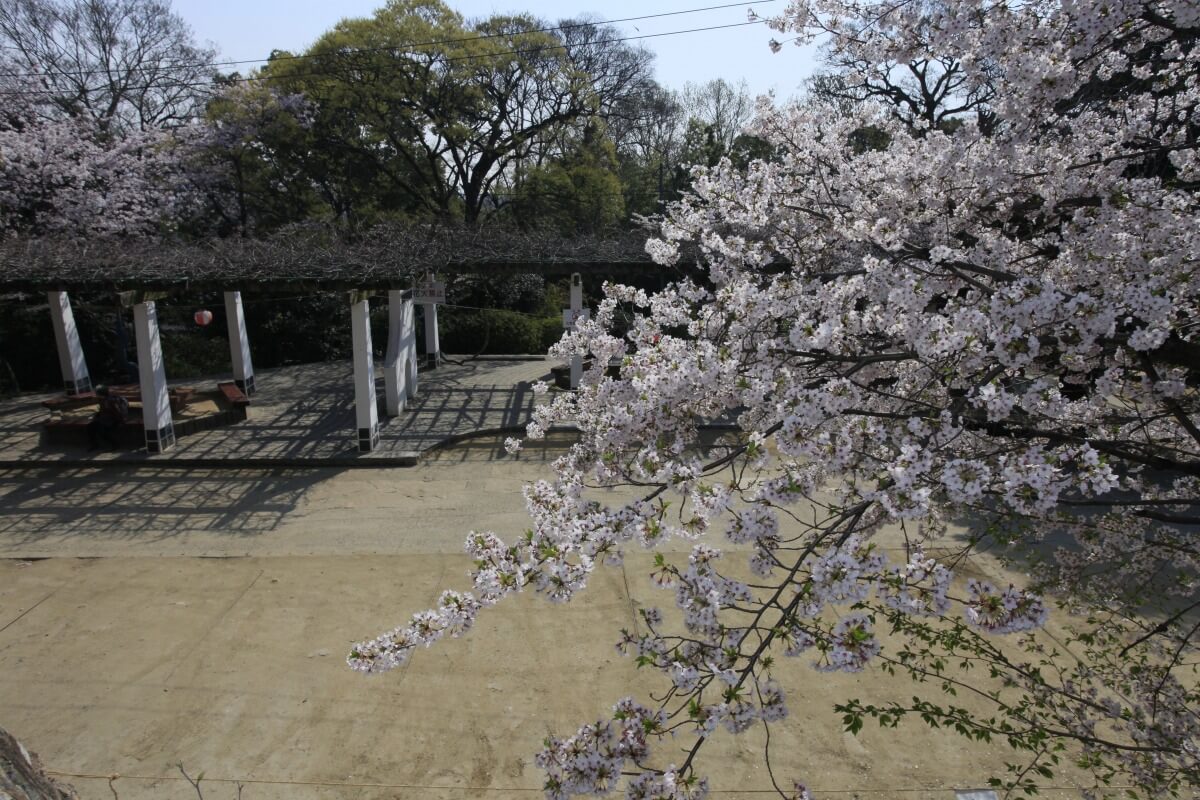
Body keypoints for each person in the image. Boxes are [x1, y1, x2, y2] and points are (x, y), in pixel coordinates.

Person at [88, 386, 129, 450]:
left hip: (114, 421)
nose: (95, 394)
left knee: (102, 431)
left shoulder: (110, 401)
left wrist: (121, 422)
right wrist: (96, 416)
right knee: (90, 427)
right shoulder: (102, 400)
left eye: (96, 393)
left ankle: (115, 444)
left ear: (100, 393)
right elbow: (102, 411)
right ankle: (95, 445)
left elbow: (117, 413)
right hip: (106, 420)